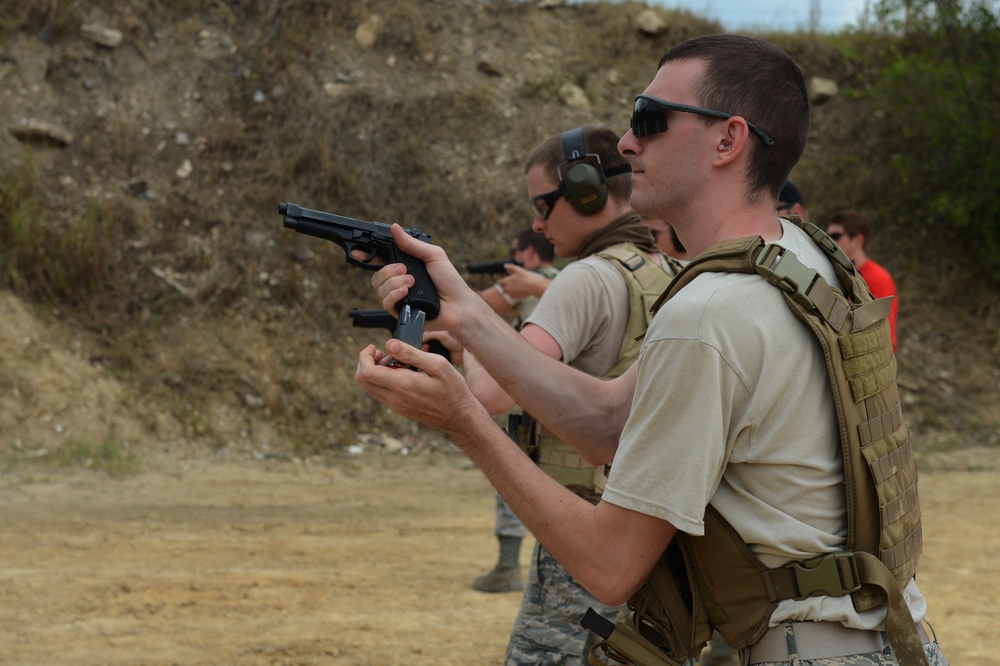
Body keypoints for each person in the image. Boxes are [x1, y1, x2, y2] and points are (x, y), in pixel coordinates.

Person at [357, 33, 946, 666]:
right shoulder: (800, 257)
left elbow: (610, 567)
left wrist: (465, 421)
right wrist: (468, 315)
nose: (629, 141)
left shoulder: (708, 315)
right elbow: (612, 423)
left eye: (650, 119)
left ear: (729, 139)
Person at [462, 124, 677, 664]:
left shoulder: (584, 279)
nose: (537, 223)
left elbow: (488, 391)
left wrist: (463, 329)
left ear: (588, 190)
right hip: (656, 535)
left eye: (543, 204)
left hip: (584, 532)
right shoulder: (670, 270)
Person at [472, 228, 560, 594]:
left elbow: (480, 303)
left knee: (511, 480)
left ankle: (509, 565)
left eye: (515, 252)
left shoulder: (546, 285)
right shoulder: (563, 282)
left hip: (528, 402)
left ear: (529, 255)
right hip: (552, 401)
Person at [825, 209, 899, 353]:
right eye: (827, 236)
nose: (830, 241)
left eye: (836, 236)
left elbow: (886, 334)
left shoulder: (878, 278)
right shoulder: (835, 273)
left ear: (857, 240)